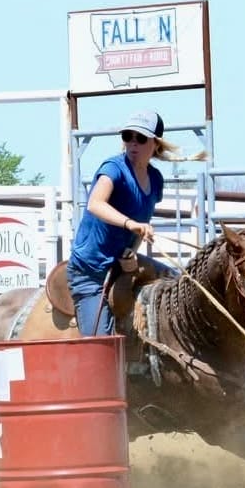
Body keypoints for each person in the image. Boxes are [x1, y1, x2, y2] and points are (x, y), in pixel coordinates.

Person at [67, 110, 182, 335]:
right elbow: (95, 204)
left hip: (120, 265)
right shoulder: (113, 168)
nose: (132, 143)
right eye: (127, 136)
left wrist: (131, 253)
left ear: (155, 144)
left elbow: (142, 224)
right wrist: (131, 224)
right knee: (100, 349)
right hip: (90, 272)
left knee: (181, 286)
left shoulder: (155, 179)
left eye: (140, 138)